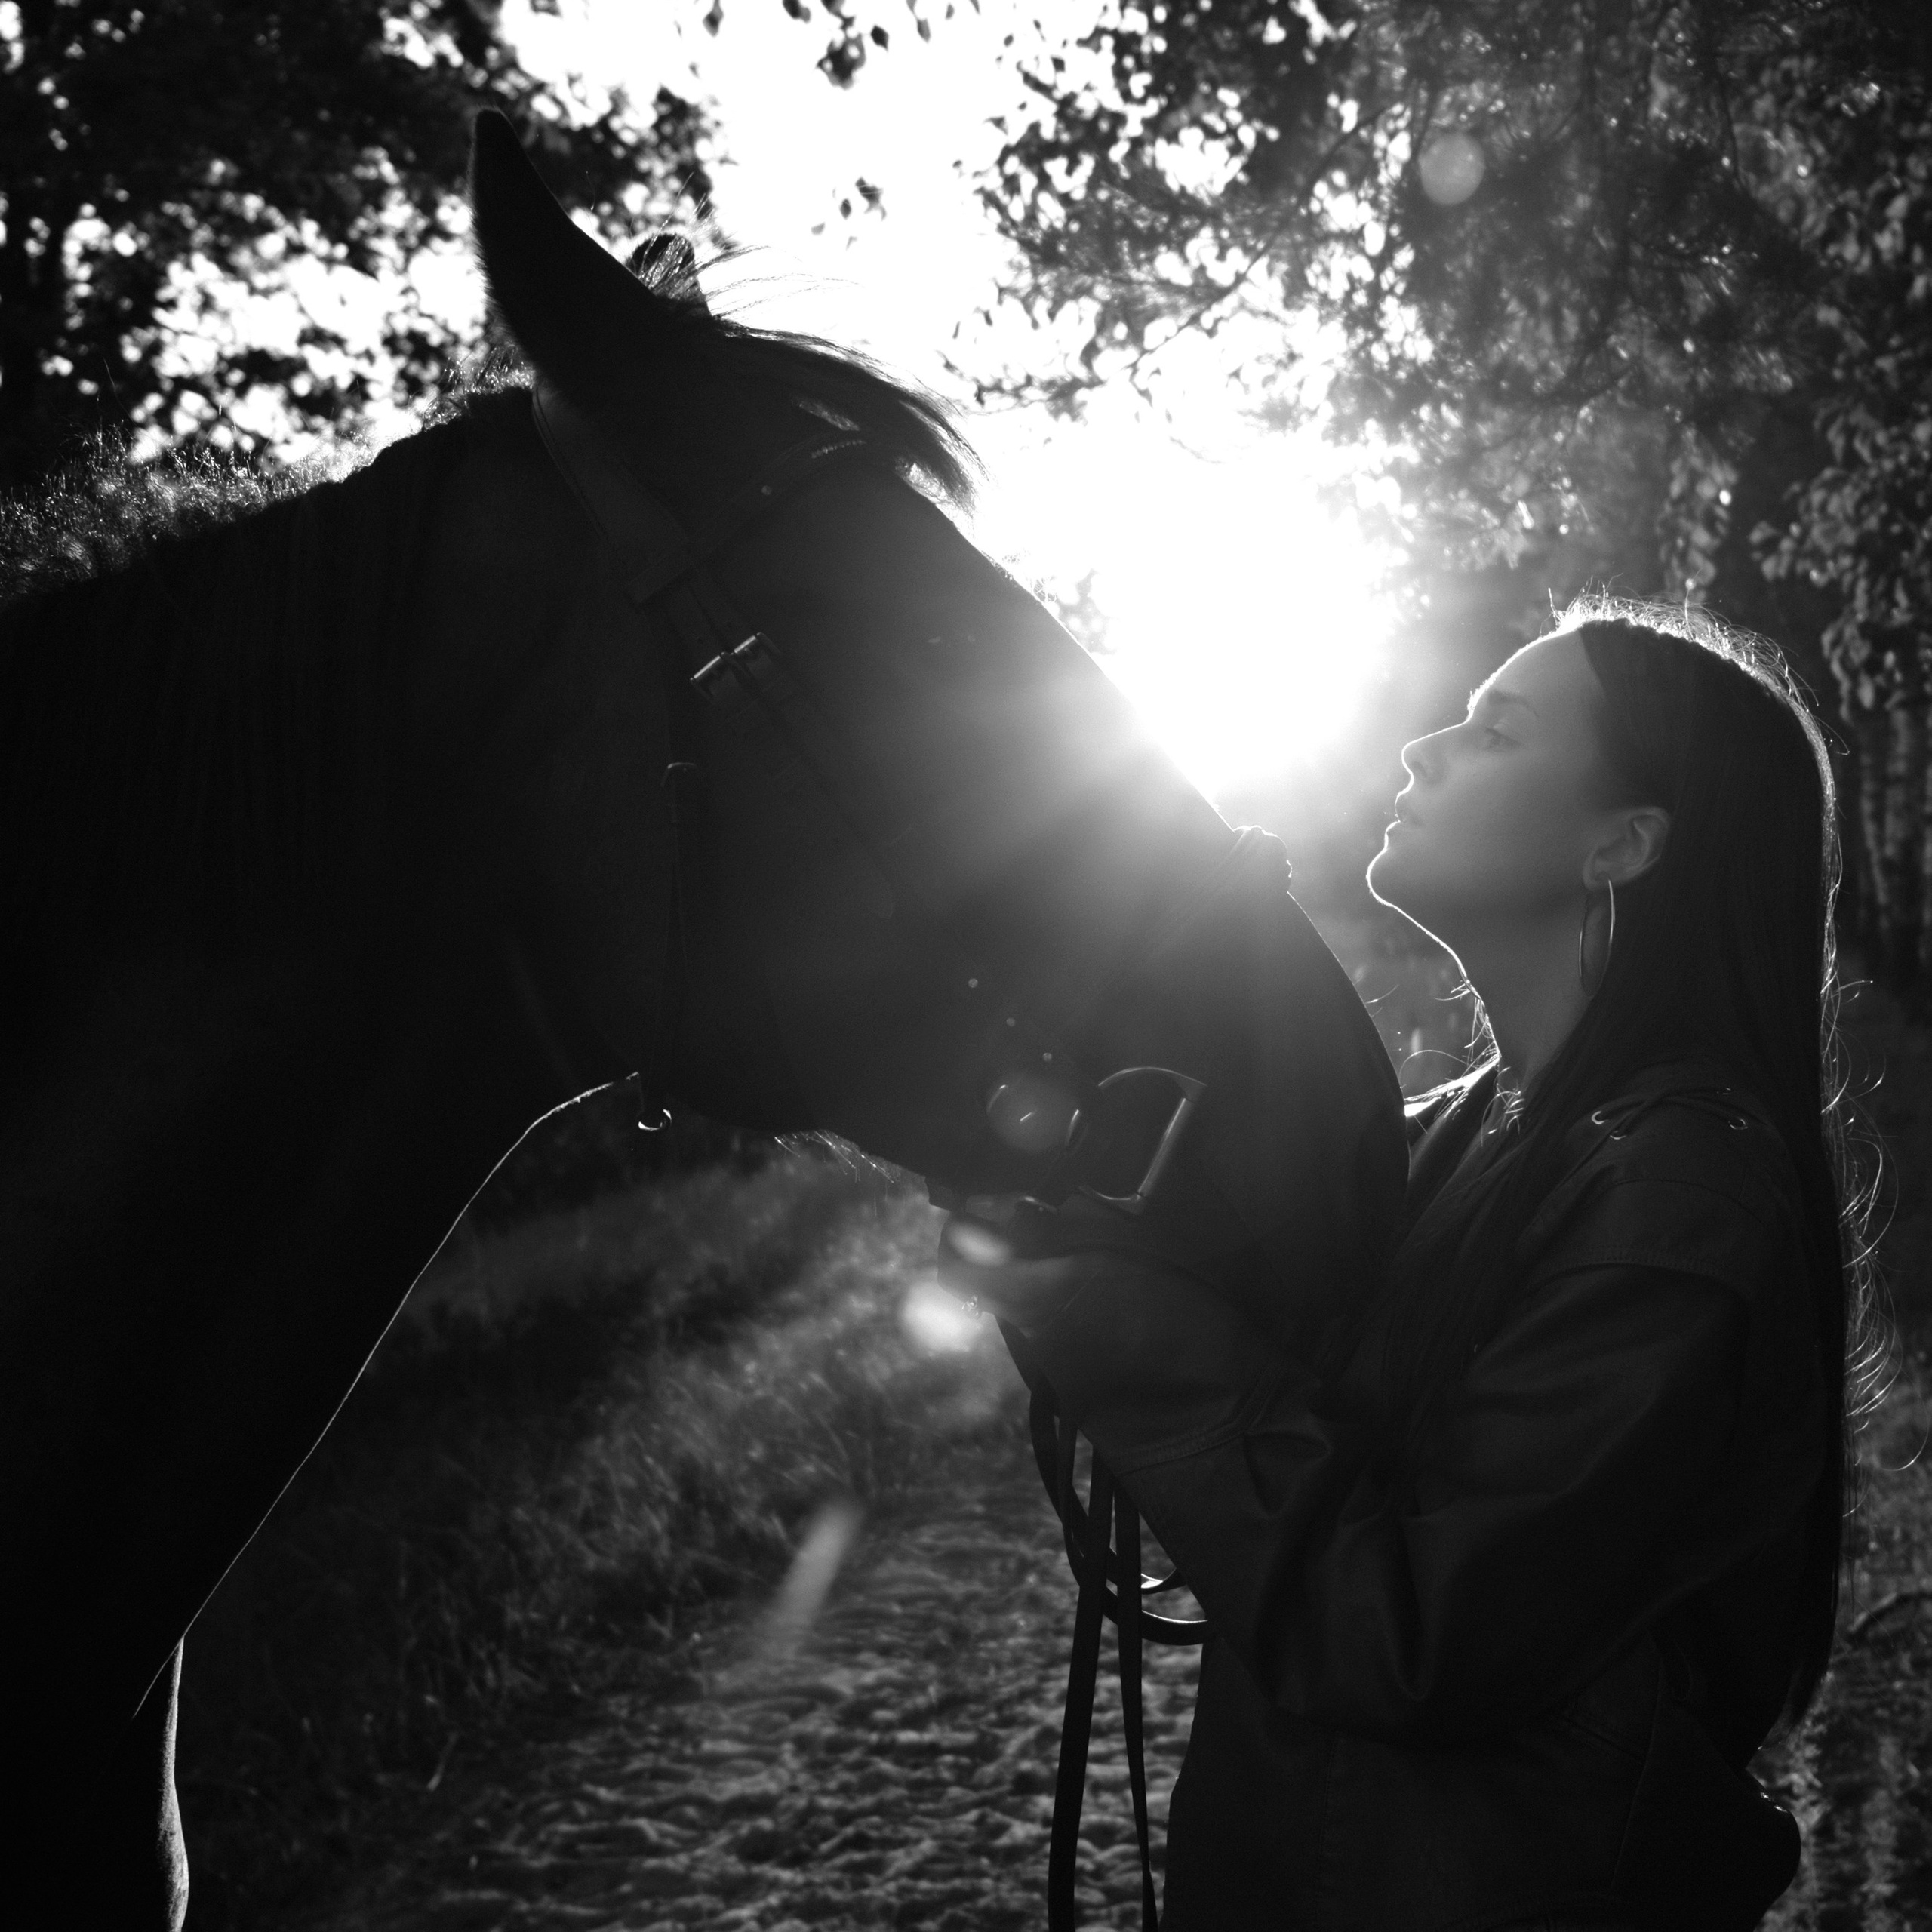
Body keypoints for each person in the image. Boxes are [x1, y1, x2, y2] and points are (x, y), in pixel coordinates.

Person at [941, 598, 1876, 1931]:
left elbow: (1410, 1636)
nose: (1423, 748)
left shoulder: (1681, 1195)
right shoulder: (1448, 1137)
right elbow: (1284, 1436)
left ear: (1623, 843)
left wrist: (1113, 1326)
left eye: (1496, 730)